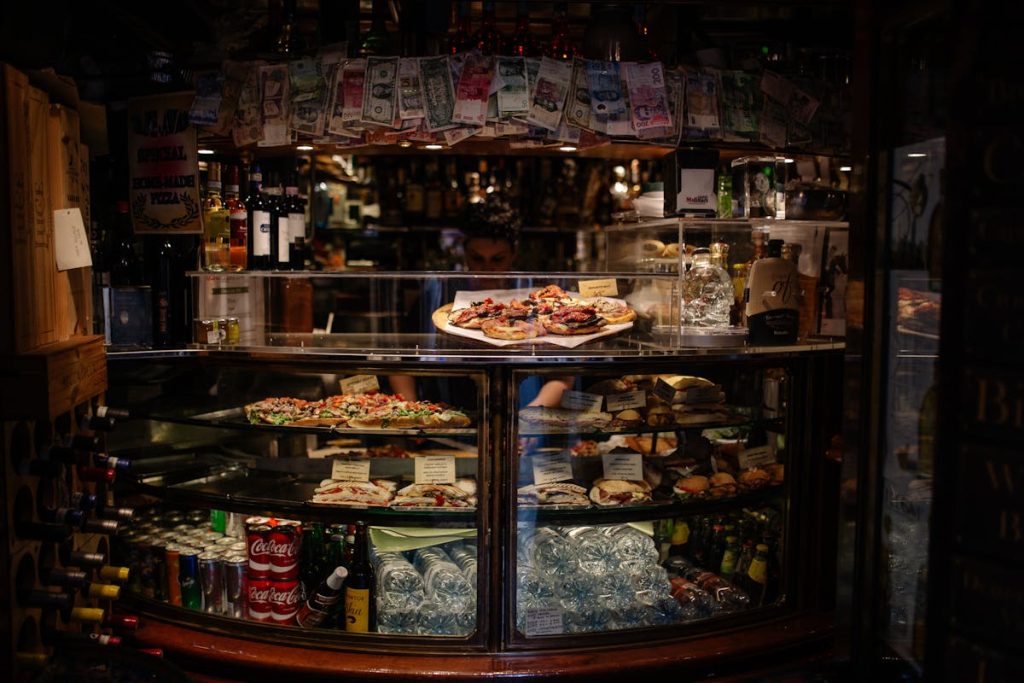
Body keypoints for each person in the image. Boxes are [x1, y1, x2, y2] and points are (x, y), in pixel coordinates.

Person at [390, 197, 571, 408]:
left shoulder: (536, 298)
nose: (486, 269)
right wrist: (414, 412)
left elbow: (564, 374)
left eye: (497, 259)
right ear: (464, 252)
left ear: (513, 253)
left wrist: (531, 417)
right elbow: (401, 360)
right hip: (447, 417)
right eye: (477, 258)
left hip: (525, 416)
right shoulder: (439, 292)